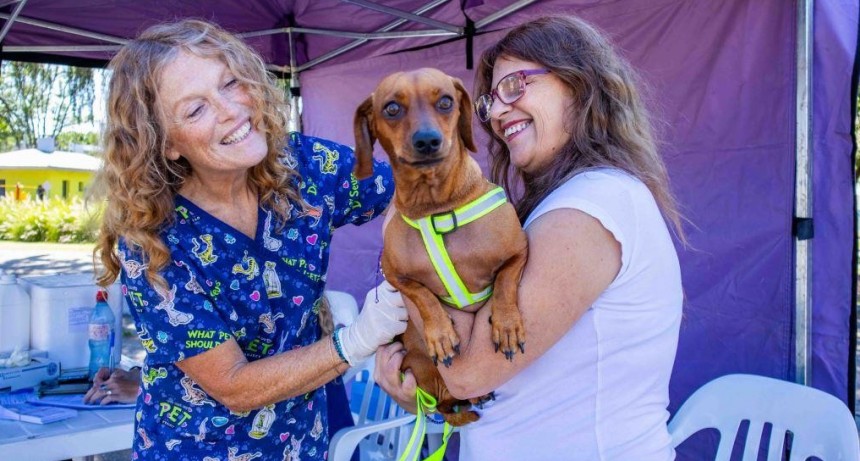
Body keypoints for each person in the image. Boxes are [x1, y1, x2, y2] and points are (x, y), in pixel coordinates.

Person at [91, 19, 406, 460]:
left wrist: (407, 264)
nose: (231, 110)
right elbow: (234, 385)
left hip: (302, 444)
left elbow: (419, 184)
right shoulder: (154, 242)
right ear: (166, 144)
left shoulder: (306, 168)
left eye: (231, 83)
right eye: (195, 109)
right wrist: (360, 338)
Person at [375, 15, 685, 460]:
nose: (497, 113)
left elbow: (467, 372)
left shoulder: (594, 204)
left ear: (580, 84)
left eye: (516, 86)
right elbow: (497, 380)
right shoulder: (564, 201)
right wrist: (430, 390)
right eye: (490, 102)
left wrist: (403, 223)